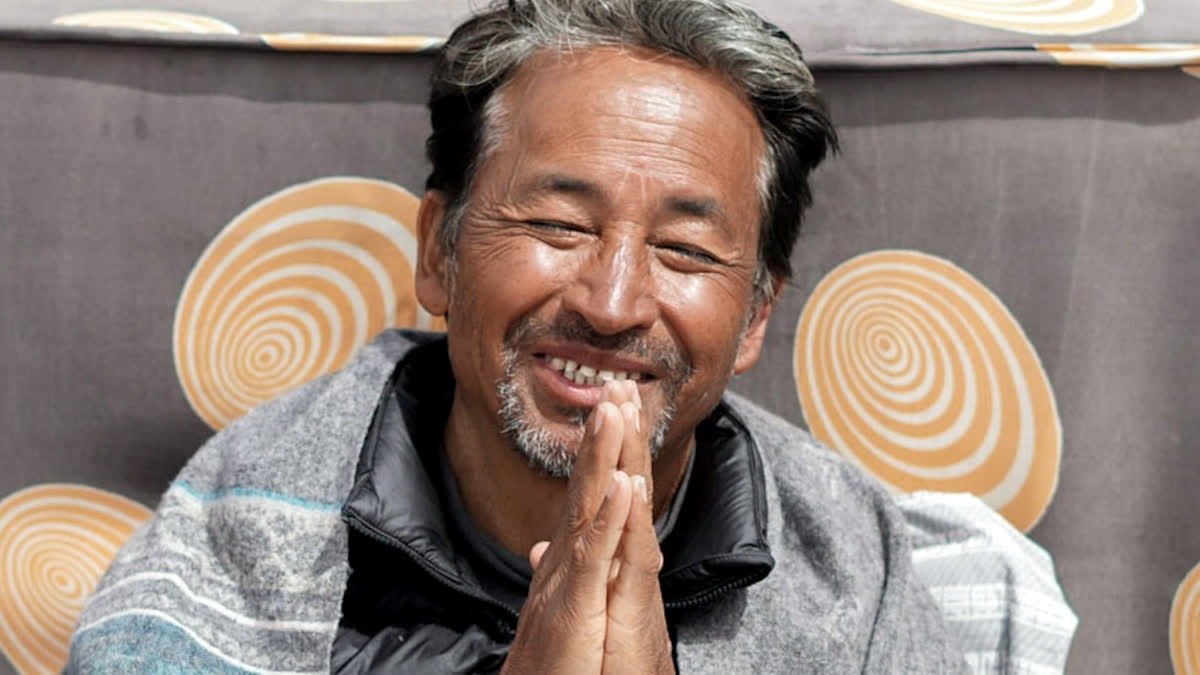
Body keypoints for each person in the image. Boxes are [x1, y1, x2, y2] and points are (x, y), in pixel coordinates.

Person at [67, 1, 1075, 673]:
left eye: (685, 248)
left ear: (757, 315)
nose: (612, 301)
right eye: (558, 224)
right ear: (439, 252)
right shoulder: (229, 558)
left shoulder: (860, 578)